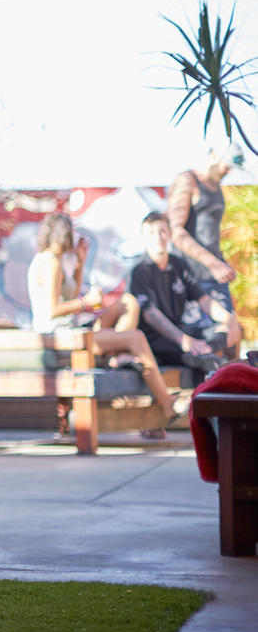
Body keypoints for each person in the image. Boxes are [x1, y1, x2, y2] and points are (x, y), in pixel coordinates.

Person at [26, 212, 179, 427]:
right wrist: (86, 302)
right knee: (135, 338)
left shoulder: (51, 261)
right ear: (65, 235)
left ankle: (117, 355)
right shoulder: (51, 264)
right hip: (60, 337)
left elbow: (69, 296)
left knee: (128, 302)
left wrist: (80, 264)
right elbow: (52, 311)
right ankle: (166, 402)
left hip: (70, 330)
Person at [129, 211, 235, 379]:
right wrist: (184, 340)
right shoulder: (140, 270)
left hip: (182, 332)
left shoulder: (178, 264)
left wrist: (228, 319)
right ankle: (206, 360)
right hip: (155, 339)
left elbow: (204, 300)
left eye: (162, 231)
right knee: (191, 352)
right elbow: (151, 316)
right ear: (143, 237)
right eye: (152, 233)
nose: (158, 237)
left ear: (170, 234)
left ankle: (206, 355)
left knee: (227, 329)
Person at [166, 145, 244, 356]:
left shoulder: (216, 185)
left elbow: (209, 235)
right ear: (213, 155)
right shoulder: (187, 181)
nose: (228, 172)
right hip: (192, 277)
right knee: (204, 339)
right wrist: (213, 262)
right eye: (226, 166)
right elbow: (176, 231)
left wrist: (222, 263)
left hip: (213, 275)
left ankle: (231, 383)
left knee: (232, 333)